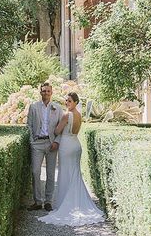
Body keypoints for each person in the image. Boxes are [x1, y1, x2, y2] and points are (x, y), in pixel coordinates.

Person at [39, 92, 104, 226]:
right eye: (66, 101)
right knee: (75, 174)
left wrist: (55, 125)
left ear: (75, 102)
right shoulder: (79, 115)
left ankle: (66, 203)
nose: (67, 103)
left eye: (69, 101)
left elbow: (57, 131)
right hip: (76, 144)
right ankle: (77, 201)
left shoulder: (67, 115)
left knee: (65, 173)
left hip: (67, 146)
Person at [26, 82, 64, 211]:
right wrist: (32, 141)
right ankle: (38, 201)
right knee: (35, 171)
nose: (46, 93)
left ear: (51, 93)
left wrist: (57, 141)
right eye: (44, 91)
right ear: (40, 92)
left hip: (51, 143)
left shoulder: (57, 108)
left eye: (48, 91)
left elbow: (61, 127)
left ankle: (48, 201)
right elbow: (29, 126)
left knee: (50, 172)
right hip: (37, 143)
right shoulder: (33, 107)